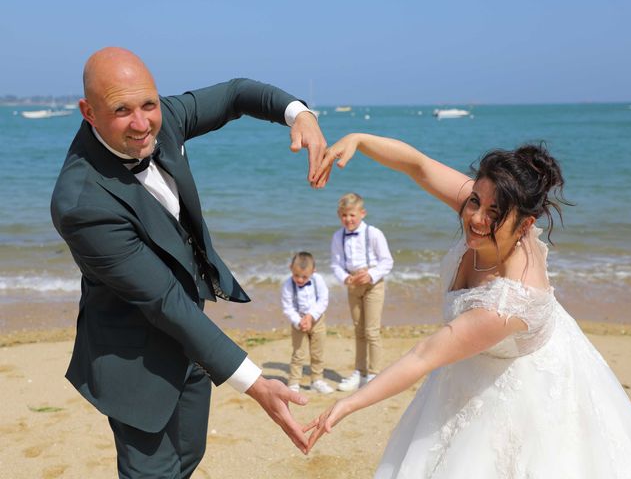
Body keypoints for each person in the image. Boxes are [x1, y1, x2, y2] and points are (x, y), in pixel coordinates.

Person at [50, 47, 328, 478]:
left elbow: (237, 94)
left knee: (187, 460)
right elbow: (163, 301)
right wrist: (256, 383)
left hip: (193, 346)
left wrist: (299, 114)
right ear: (88, 111)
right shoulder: (80, 203)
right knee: (154, 473)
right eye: (122, 110)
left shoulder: (165, 118)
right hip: (133, 361)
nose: (142, 124)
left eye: (149, 104)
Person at [307, 133, 631, 478]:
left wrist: (348, 403)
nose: (476, 218)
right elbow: (418, 166)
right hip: (472, 365)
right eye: (474, 202)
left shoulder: (508, 303)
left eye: (494, 212)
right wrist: (359, 140)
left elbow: (423, 356)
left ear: (526, 223)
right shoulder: (487, 209)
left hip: (526, 386)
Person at [330, 192, 393, 391]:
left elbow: (387, 261)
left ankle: (374, 374)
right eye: (344, 216)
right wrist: (345, 278)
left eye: (352, 215)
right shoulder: (338, 236)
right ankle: (360, 372)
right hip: (352, 284)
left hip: (373, 284)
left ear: (362, 213)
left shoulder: (374, 233)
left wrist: (371, 275)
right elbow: (336, 264)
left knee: (371, 331)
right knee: (358, 330)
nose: (348, 219)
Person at [281, 252, 333, 394]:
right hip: (298, 321)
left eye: (304, 276)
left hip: (317, 320)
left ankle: (317, 380)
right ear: (290, 268)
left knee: (317, 352)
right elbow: (288, 307)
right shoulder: (287, 285)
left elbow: (323, 300)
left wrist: (311, 316)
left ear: (313, 271)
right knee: (298, 353)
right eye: (296, 275)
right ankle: (293, 383)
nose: (300, 279)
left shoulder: (318, 280)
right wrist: (300, 322)